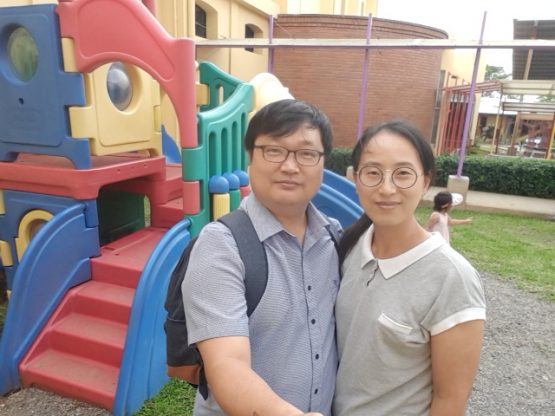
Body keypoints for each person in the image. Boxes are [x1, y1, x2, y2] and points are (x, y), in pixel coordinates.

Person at [182, 99, 341, 416]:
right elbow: (227, 365)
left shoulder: (333, 237)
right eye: (274, 150)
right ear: (251, 157)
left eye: (307, 154)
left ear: (322, 163)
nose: (290, 166)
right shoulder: (222, 246)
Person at [333, 120, 486, 416]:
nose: (386, 188)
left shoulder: (452, 277)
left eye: (403, 173)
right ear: (355, 178)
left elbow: (450, 401)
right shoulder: (351, 247)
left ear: (425, 182)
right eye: (372, 173)